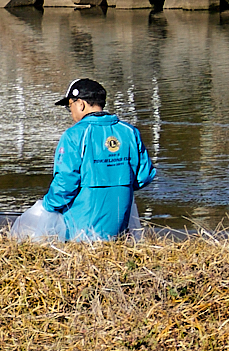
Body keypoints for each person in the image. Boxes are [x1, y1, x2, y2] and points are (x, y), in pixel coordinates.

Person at [10, 77, 154, 242]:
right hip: (119, 228)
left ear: (81, 104)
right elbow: (144, 176)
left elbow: (64, 185)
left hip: (82, 233)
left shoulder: (74, 135)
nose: (70, 112)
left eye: (69, 106)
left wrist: (46, 206)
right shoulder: (129, 132)